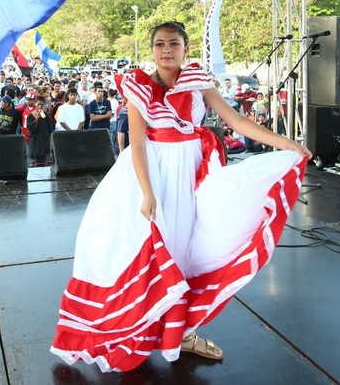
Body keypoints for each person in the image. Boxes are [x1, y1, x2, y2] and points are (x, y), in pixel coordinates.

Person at [51, 21, 311, 372]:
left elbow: (235, 121)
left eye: (174, 43)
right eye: (160, 44)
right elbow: (138, 144)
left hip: (193, 172)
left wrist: (288, 144)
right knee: (147, 254)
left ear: (185, 48)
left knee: (189, 252)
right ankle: (132, 333)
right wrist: (147, 192)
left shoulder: (198, 83)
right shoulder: (138, 87)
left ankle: (182, 334)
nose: (167, 50)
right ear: (152, 49)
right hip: (152, 174)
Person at [26, 98, 54, 166]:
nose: (40, 106)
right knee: (36, 163)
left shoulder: (46, 116)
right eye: (38, 104)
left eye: (42, 104)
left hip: (45, 141)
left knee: (46, 163)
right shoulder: (30, 116)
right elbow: (31, 129)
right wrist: (37, 119)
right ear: (35, 104)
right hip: (35, 143)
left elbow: (50, 129)